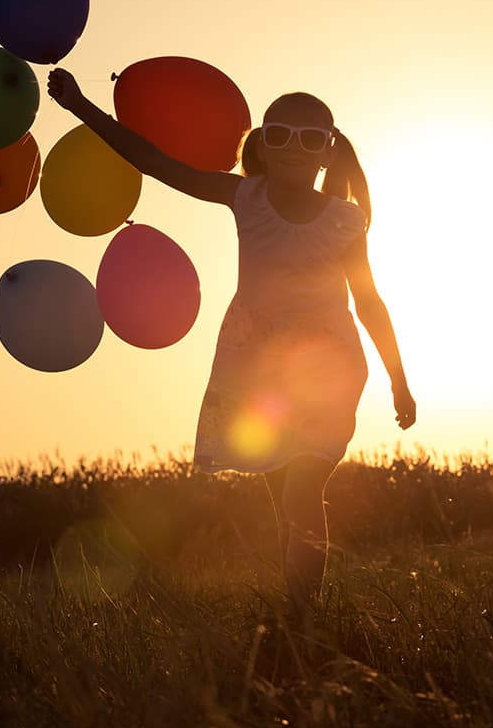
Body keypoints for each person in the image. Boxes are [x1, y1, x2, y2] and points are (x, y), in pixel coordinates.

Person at [47, 69, 416, 621]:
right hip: (256, 368)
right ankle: (299, 617)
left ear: (328, 152)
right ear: (262, 144)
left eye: (311, 139)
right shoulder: (244, 195)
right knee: (281, 497)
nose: (294, 147)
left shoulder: (345, 220)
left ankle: (303, 615)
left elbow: (369, 303)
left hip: (326, 369)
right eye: (280, 134)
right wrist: (81, 106)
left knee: (303, 488)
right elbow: (156, 162)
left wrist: (399, 380)